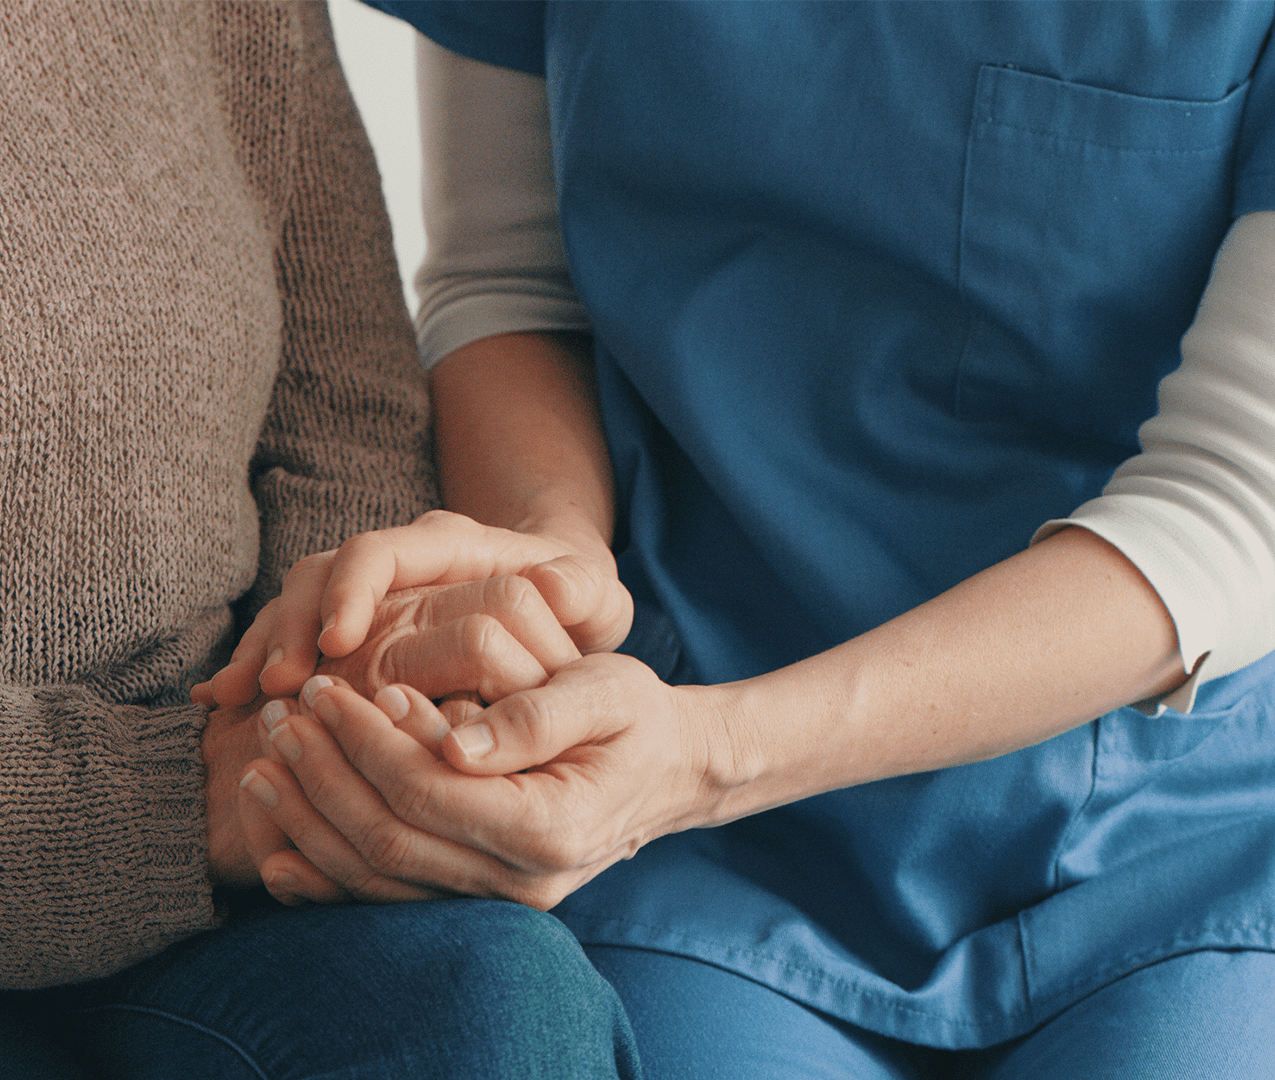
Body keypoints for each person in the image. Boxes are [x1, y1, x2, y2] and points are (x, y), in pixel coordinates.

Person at [214, 2, 1275, 1078]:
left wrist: (713, 757)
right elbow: (512, 285)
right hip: (703, 831)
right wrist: (552, 557)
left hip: (1180, 828)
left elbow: (1241, 497)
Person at [0, 4, 641, 1078]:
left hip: (249, 835)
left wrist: (362, 690)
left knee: (497, 1005)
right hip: (163, 802)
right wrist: (194, 795)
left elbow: (346, 416)